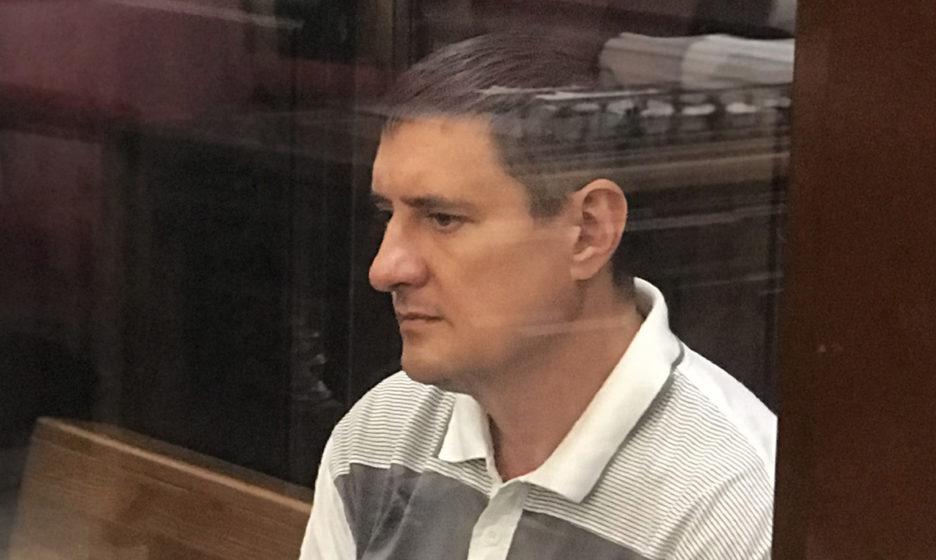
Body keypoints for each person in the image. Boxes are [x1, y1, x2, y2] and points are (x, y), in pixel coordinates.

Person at [299, 32, 775, 560]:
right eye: (388, 215)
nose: (384, 269)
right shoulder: (381, 434)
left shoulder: (733, 507)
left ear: (587, 232)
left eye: (443, 218)